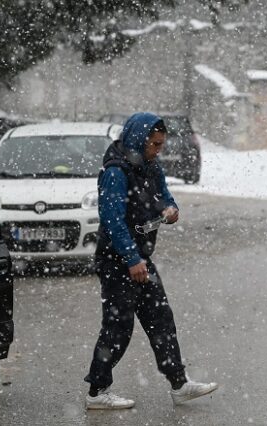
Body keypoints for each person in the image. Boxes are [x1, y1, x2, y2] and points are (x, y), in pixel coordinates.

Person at [84, 112, 218, 409]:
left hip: (140, 258)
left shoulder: (150, 168)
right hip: (117, 260)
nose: (159, 150)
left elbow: (166, 197)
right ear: (138, 139)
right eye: (154, 145)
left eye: (161, 145)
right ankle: (97, 392)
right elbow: (112, 220)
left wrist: (171, 209)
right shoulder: (116, 172)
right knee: (118, 326)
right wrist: (131, 258)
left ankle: (179, 384)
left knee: (161, 319)